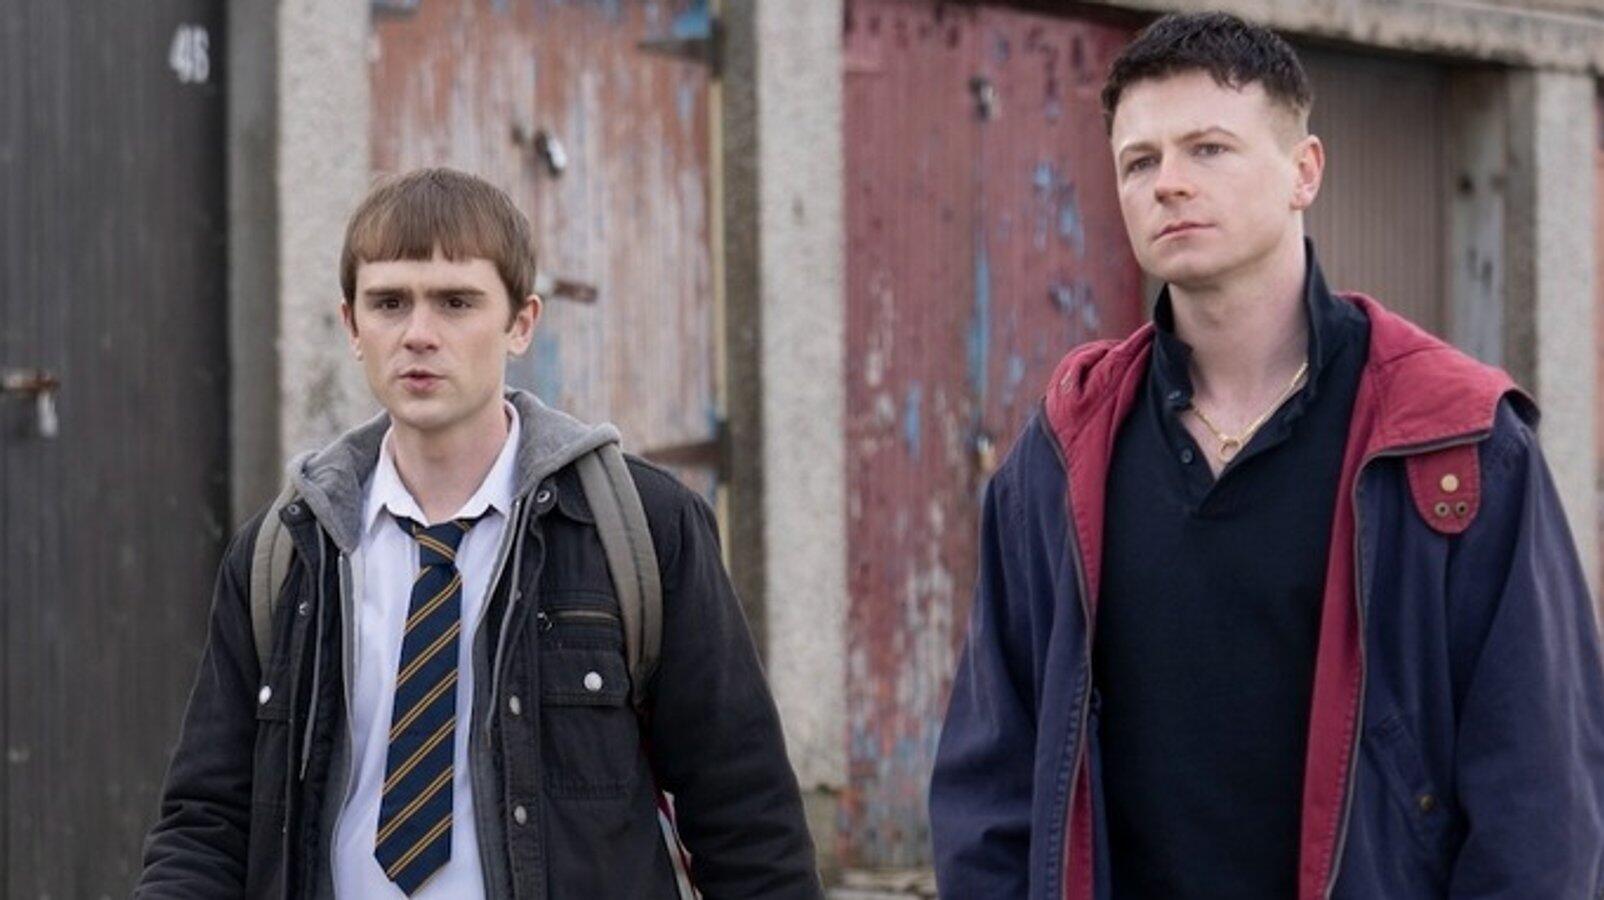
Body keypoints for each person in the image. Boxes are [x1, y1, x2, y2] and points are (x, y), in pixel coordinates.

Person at [929, 12, 1604, 899]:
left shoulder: (1455, 442)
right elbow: (989, 780)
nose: (1169, 183)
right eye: (1139, 161)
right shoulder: (1064, 450)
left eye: (1209, 149)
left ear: (1304, 170)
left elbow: (1541, 797)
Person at [136, 167, 822, 898]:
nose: (418, 334)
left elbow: (745, 815)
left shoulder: (638, 530)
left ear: (520, 323)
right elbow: (207, 821)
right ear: (352, 326)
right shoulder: (288, 551)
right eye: (389, 303)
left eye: (456, 302)